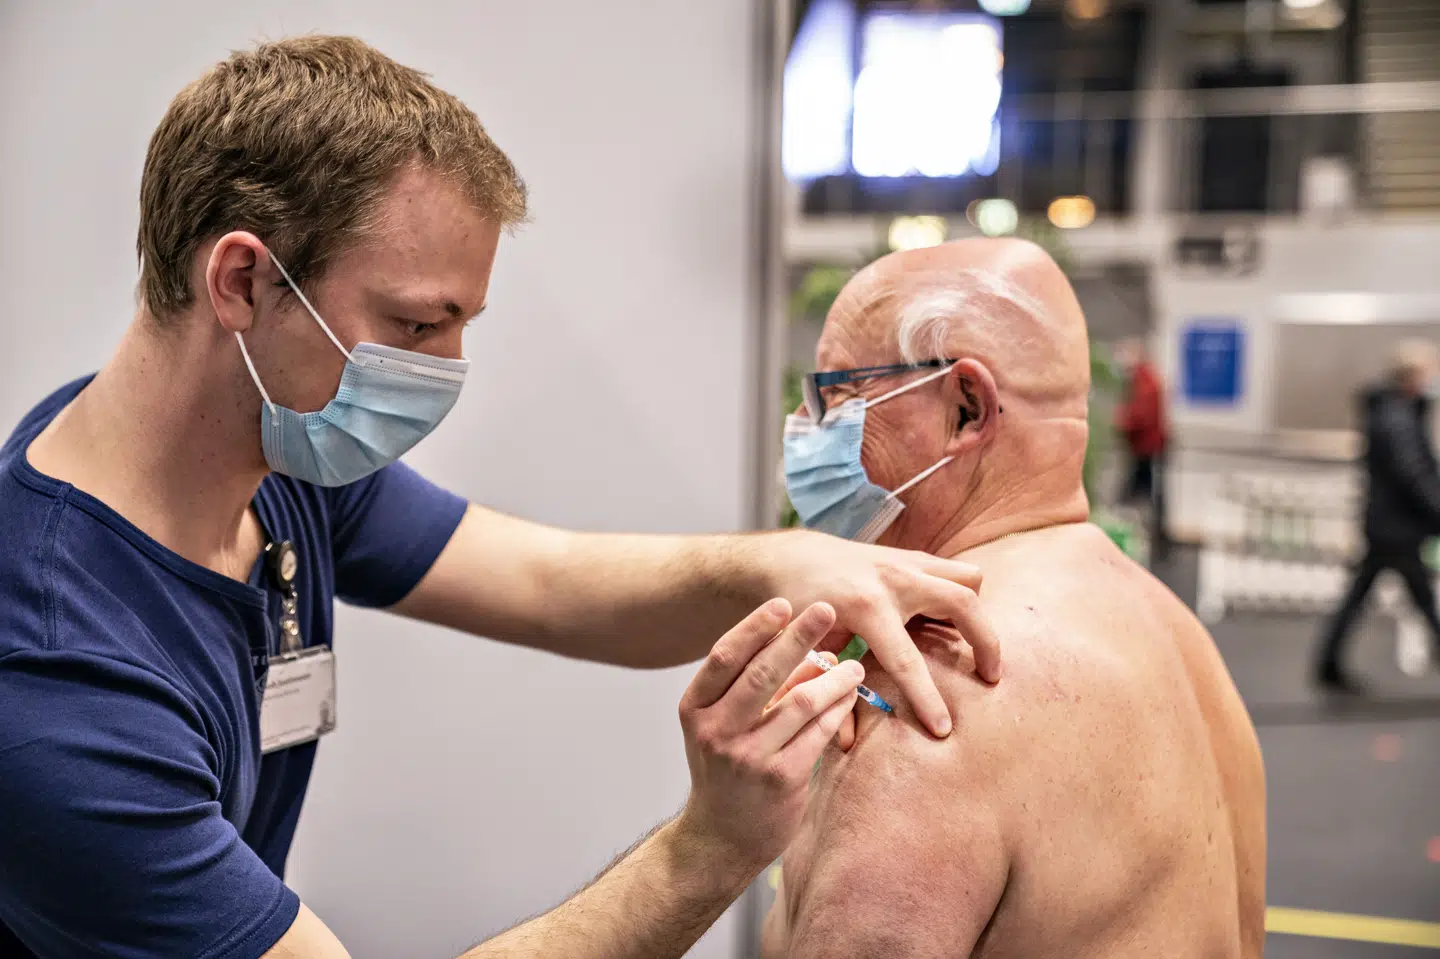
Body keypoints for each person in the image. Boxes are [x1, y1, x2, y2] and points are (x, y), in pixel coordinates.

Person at [0, 36, 1004, 959]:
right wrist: (709, 847)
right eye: (417, 323)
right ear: (243, 281)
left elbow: (555, 581)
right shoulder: (58, 690)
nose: (447, 368)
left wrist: (785, 565)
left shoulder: (272, 460)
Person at [763, 238, 1266, 958]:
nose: (808, 432)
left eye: (836, 395)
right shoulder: (1183, 641)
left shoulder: (932, 688)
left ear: (967, 408)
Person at [1314, 338, 1440, 694]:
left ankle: (1328, 663)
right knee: (1418, 597)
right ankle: (1327, 664)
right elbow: (1413, 474)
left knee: (1371, 595)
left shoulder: (1396, 412)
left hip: (1390, 524)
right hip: (1395, 527)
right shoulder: (1397, 417)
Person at [1114, 336, 1171, 560]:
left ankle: (1157, 544)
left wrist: (1123, 421)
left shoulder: (1147, 382)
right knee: (1138, 493)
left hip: (1150, 450)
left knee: (1150, 495)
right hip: (1142, 450)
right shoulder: (1140, 380)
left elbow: (1141, 416)